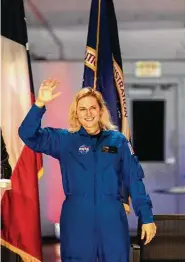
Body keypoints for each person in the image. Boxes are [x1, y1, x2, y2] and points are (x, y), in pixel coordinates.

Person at [18, 79, 157, 261]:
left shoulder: (118, 141)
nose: (88, 113)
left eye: (92, 108)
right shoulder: (64, 140)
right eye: (82, 109)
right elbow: (27, 134)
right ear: (76, 113)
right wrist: (39, 104)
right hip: (77, 219)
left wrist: (146, 216)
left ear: (100, 111)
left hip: (112, 218)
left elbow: (134, 179)